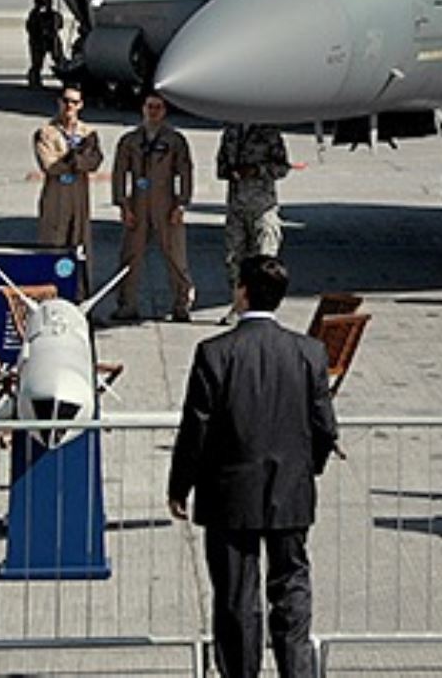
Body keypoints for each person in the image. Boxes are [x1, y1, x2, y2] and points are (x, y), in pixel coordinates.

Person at [168, 255, 339, 678]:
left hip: (229, 494)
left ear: (242, 292)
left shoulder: (215, 353)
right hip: (290, 490)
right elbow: (325, 427)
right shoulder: (309, 352)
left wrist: (180, 486)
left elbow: (196, 428)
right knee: (292, 588)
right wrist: (307, 470)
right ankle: (296, 670)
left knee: (236, 596)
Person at [111, 93, 195, 323]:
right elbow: (119, 174)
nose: (154, 111)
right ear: (143, 109)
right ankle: (126, 304)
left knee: (175, 256)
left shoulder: (175, 140)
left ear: (164, 111)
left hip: (166, 203)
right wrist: (123, 205)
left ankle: (182, 304)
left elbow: (185, 172)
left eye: (158, 107)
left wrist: (182, 204)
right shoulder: (130, 140)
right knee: (130, 255)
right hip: (138, 203)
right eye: (150, 107)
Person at [217, 124, 290, 324]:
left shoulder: (269, 132)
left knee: (264, 262)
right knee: (235, 260)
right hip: (236, 208)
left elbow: (282, 167)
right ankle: (238, 307)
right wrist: (230, 172)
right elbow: (221, 166)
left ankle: (264, 309)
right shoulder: (231, 132)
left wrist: (257, 170)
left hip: (262, 208)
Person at [34, 86, 103, 277]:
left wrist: (77, 161)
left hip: (79, 196)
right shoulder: (46, 132)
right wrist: (75, 162)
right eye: (66, 101)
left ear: (80, 105)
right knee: (53, 242)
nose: (69, 106)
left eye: (74, 102)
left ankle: (80, 288)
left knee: (80, 244)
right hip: (56, 196)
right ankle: (51, 285)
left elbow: (95, 160)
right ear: (59, 102)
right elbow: (49, 164)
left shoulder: (88, 133)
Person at [25, 0, 65, 88]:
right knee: (37, 62)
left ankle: (65, 80)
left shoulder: (53, 15)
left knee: (58, 60)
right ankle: (34, 81)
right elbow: (32, 28)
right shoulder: (36, 15)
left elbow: (60, 25)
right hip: (39, 42)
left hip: (51, 40)